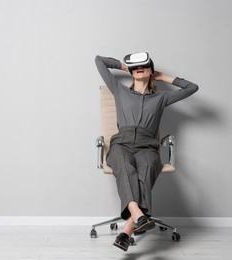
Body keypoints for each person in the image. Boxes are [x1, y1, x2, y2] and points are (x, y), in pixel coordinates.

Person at [95, 53, 198, 252]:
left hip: (148, 146)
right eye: (137, 67)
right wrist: (128, 67)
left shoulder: (161, 98)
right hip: (121, 144)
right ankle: (137, 218)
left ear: (151, 70)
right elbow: (99, 61)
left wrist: (164, 77)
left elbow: (192, 88)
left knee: (148, 166)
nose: (140, 68)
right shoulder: (119, 90)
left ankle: (128, 228)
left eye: (145, 65)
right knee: (125, 167)